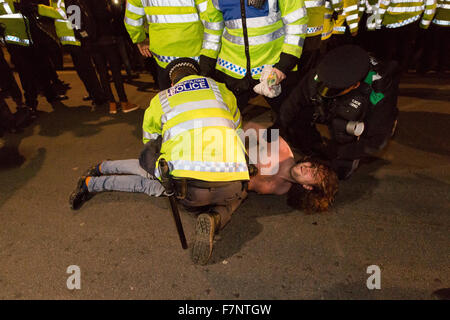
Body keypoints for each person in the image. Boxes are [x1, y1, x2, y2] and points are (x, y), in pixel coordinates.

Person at [70, 58, 249, 265]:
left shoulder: (161, 99)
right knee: (239, 195)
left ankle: (96, 174)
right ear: (198, 76)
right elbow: (237, 129)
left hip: (189, 190)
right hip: (231, 183)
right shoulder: (221, 90)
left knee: (148, 179)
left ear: (173, 82)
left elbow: (149, 143)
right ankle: (214, 219)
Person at [273, 45, 399, 180]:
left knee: (339, 172)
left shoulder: (379, 91)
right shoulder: (325, 69)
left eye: (334, 89)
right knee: (296, 119)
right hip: (327, 108)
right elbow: (293, 102)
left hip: (355, 116)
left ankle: (342, 156)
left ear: (355, 85)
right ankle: (314, 148)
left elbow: (376, 140)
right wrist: (276, 128)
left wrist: (340, 152)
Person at [199, 0, 308, 114]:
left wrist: (283, 66)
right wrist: (205, 70)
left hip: (274, 68)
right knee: (223, 124)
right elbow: (212, 32)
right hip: (231, 71)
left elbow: (297, 23)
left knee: (293, 121)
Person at [244, 122, 339, 212]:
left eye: (313, 174)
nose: (308, 168)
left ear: (308, 187)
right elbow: (251, 127)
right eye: (313, 166)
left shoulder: (281, 189)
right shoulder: (282, 147)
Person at [124, 0, 206, 90]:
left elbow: (131, 20)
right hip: (197, 53)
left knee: (169, 98)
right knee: (202, 97)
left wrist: (140, 40)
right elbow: (210, 15)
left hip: (164, 57)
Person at [80, 0, 138, 114]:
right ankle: (124, 101)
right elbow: (109, 15)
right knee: (116, 71)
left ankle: (112, 104)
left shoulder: (82, 2)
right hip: (107, 38)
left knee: (102, 73)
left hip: (92, 41)